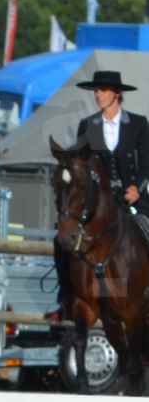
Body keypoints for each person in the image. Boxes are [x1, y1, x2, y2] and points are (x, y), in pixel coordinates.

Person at [51, 68, 149, 319]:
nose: (97, 95)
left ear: (116, 94)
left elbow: (146, 163)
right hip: (100, 205)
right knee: (60, 239)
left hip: (134, 200)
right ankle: (66, 296)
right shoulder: (88, 125)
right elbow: (79, 165)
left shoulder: (138, 124)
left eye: (101, 90)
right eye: (95, 90)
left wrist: (137, 188)